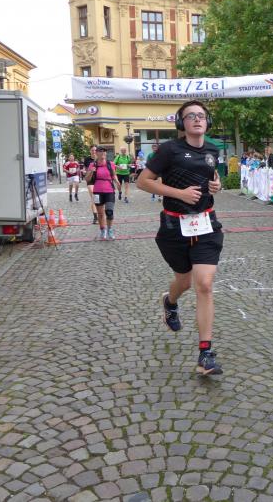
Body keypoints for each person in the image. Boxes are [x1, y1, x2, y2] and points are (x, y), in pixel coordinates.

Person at [136, 100, 224, 376]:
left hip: (206, 224)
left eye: (201, 115)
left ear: (207, 121)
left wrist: (217, 185)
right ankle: (170, 302)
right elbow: (143, 181)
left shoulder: (213, 149)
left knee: (204, 285)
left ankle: (205, 354)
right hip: (174, 227)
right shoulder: (169, 150)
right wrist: (179, 194)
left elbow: (212, 175)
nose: (197, 119)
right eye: (190, 116)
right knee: (184, 282)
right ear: (181, 123)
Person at [85, 146, 120, 240]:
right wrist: (91, 172)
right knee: (100, 214)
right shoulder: (92, 164)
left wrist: (117, 182)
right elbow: (87, 179)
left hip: (109, 191)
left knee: (109, 212)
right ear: (97, 153)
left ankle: (110, 230)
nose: (103, 153)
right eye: (101, 151)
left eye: (105, 151)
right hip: (97, 191)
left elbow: (114, 175)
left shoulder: (110, 164)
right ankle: (102, 230)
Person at [83, 146, 99, 223]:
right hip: (90, 179)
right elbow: (85, 169)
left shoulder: (100, 159)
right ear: (90, 151)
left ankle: (100, 214)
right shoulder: (87, 159)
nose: (94, 151)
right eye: (92, 150)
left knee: (99, 199)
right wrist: (85, 171)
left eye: (95, 150)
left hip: (99, 180)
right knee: (94, 197)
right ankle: (95, 217)